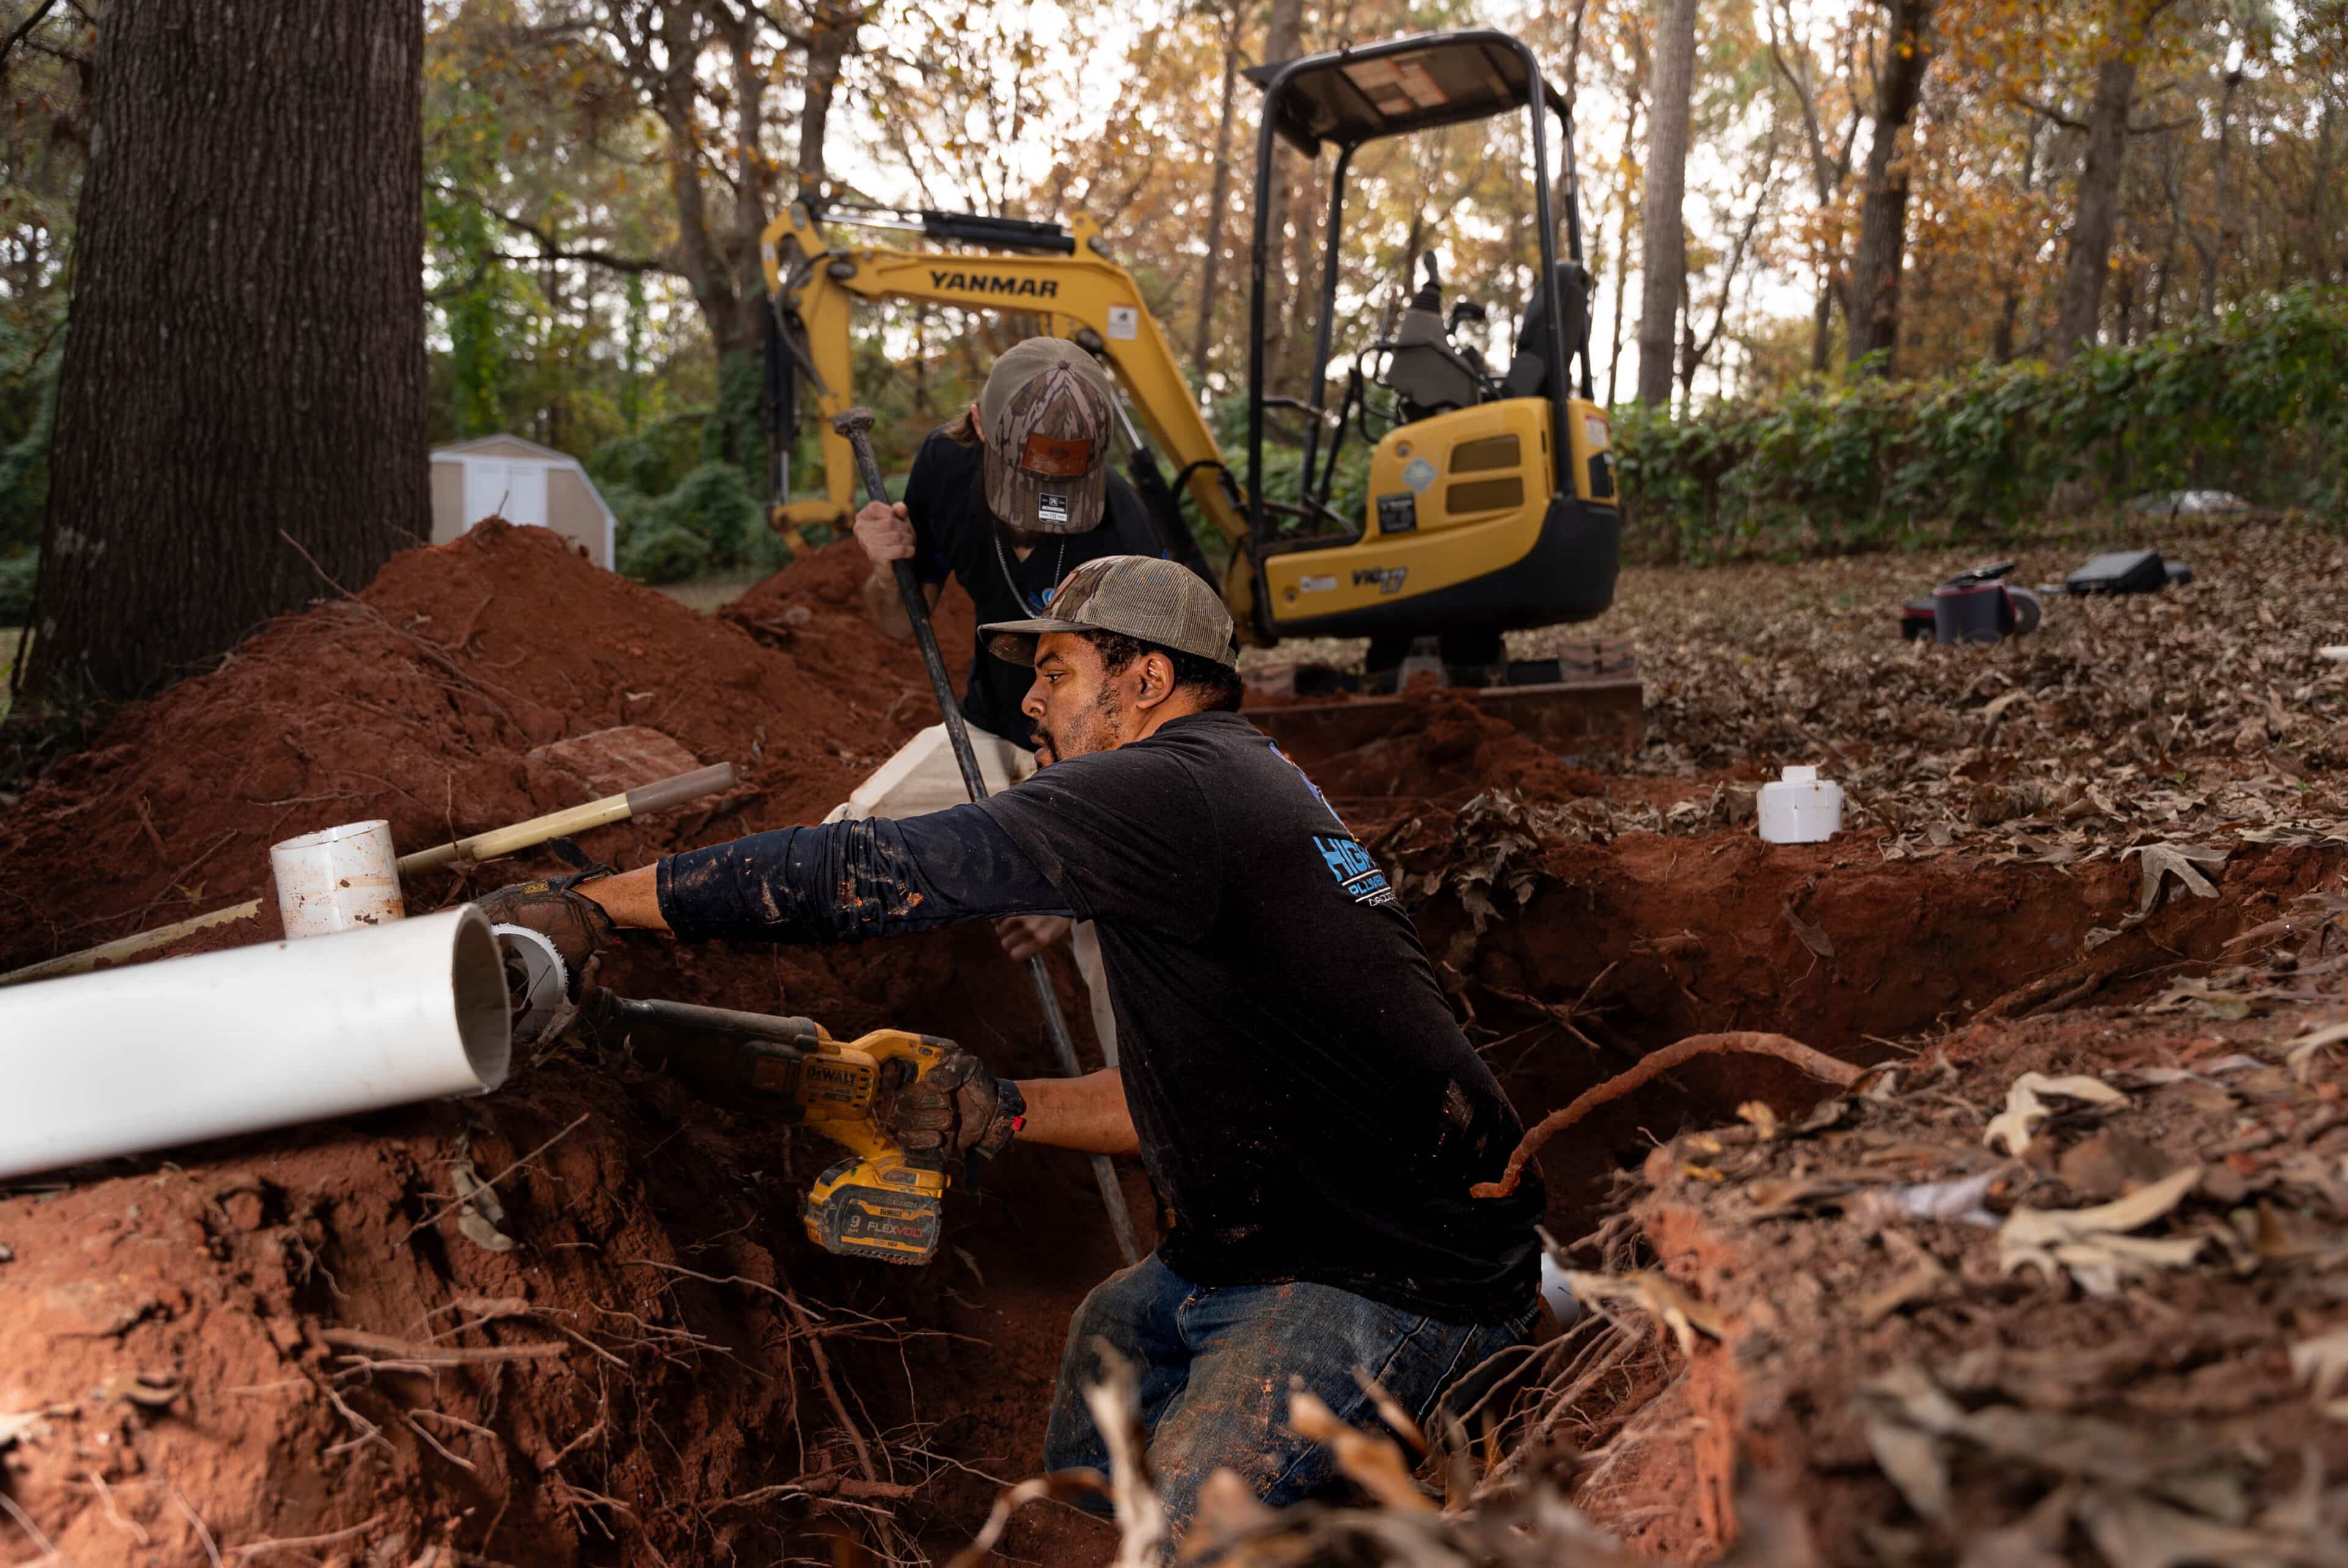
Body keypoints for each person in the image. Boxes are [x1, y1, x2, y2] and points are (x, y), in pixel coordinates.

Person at [478, 556, 1544, 1542]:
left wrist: (596, 907)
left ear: (1147, 679)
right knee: (1110, 1340)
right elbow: (1188, 1095)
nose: (1031, 703)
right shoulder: (1232, 788)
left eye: (1060, 671)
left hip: (1386, 1278)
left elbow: (873, 872)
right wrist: (1001, 1104)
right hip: (1277, 1246)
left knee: (1180, 1536)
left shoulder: (1165, 787)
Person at [840, 334, 1212, 1055]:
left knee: (1123, 944)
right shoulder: (944, 468)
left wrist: (1068, 876)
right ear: (980, 425)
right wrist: (886, 570)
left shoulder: (1125, 534)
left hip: (1106, 763)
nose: (1039, 510)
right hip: (994, 729)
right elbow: (895, 624)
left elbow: (1145, 735)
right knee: (853, 840)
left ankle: (1139, 1115)